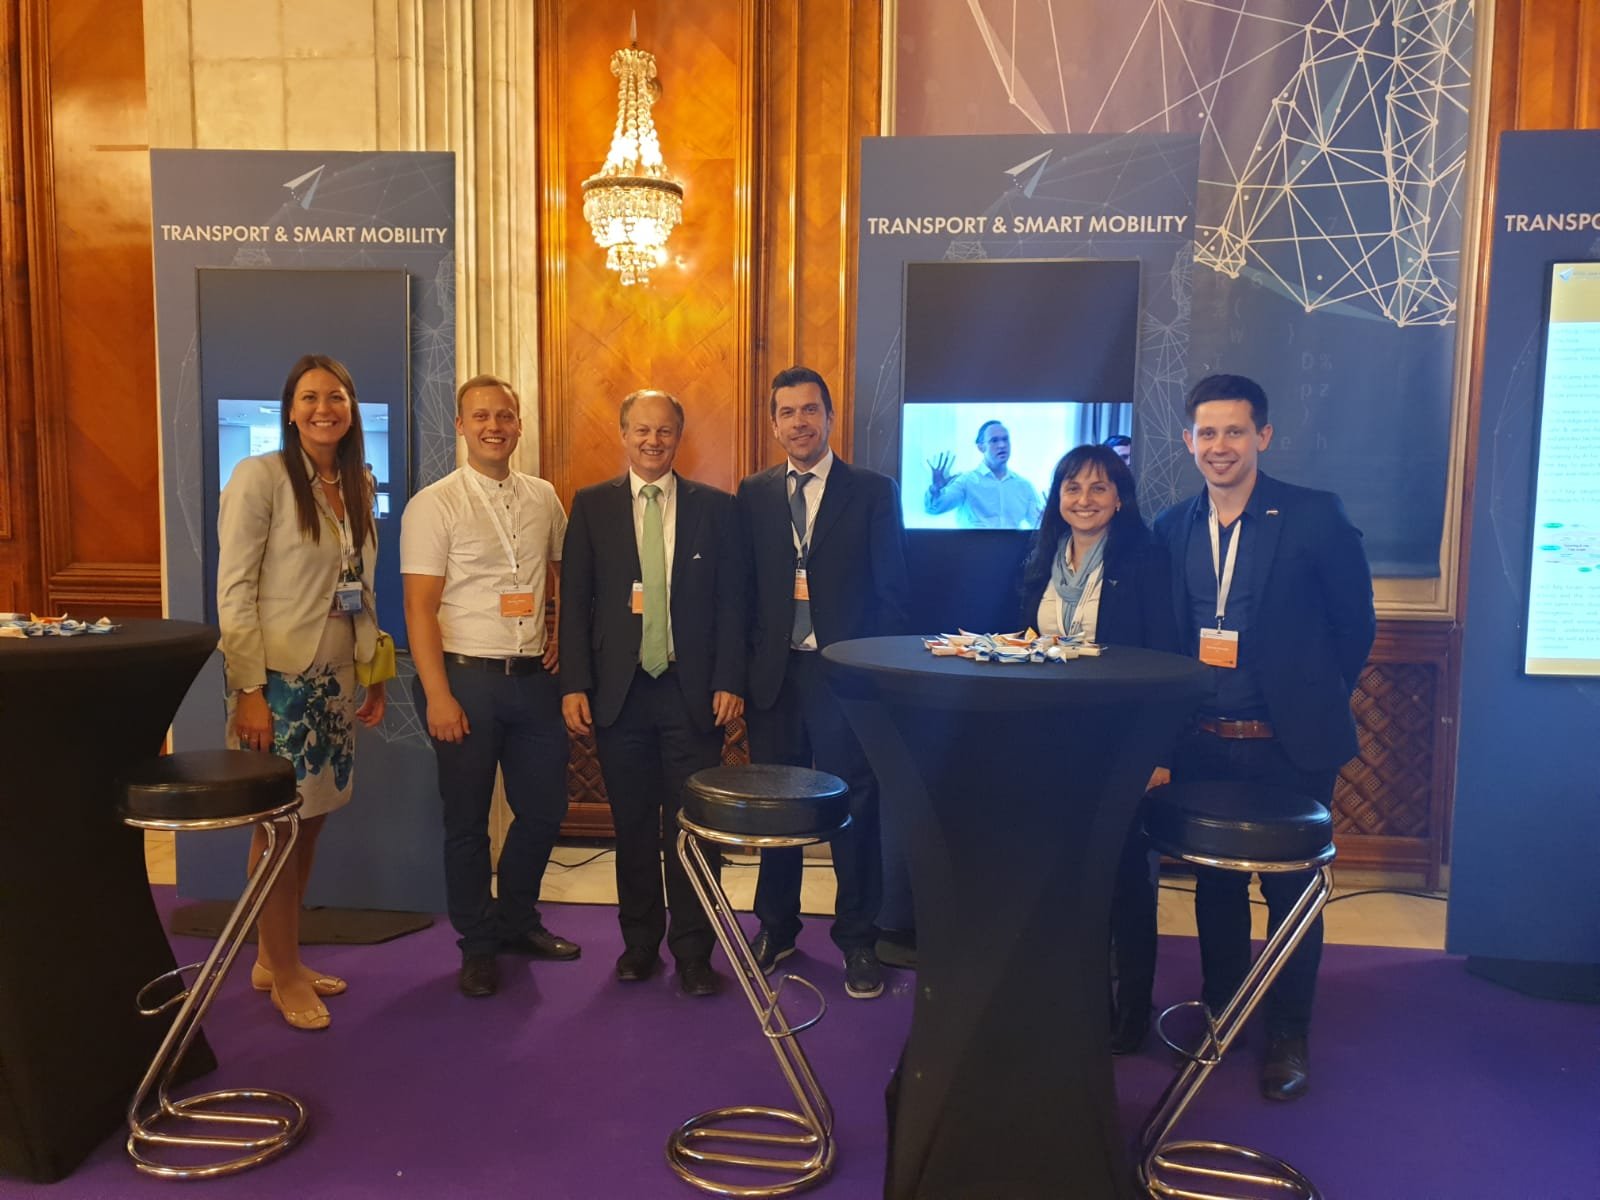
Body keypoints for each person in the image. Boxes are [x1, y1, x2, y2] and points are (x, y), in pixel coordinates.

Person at [1153, 373, 1375, 1101]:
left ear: (1263, 436)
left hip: (1288, 745)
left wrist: (1310, 702)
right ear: (1188, 441)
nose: (1220, 446)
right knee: (1215, 888)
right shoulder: (1172, 526)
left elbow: (1355, 626)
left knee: (1290, 894)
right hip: (1203, 741)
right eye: (1207, 433)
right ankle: (1224, 1014)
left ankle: (1287, 1033)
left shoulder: (1313, 516)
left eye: (1235, 431)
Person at [216, 354, 387, 1032]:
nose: (324, 409)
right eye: (311, 397)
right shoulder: (260, 478)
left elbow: (360, 587)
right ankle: (284, 972)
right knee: (277, 827)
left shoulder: (357, 482)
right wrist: (248, 689)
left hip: (337, 679)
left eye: (336, 397)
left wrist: (372, 672)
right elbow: (235, 590)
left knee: (310, 823)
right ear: (290, 410)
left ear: (351, 409)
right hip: (279, 685)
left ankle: (273, 959)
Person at [558, 389, 745, 997]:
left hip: (693, 694)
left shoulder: (716, 508)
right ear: (623, 434)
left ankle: (694, 952)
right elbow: (575, 601)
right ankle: (639, 944)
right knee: (633, 827)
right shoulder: (591, 506)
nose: (652, 441)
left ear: (678, 437)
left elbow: (732, 603)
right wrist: (574, 684)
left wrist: (729, 678)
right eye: (641, 430)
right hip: (621, 695)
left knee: (693, 828)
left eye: (664, 431)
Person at [400, 374, 579, 1000]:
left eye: (504, 415)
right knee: (468, 822)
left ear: (519, 424)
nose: (494, 427)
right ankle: (477, 944)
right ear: (461, 426)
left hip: (534, 682)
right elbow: (418, 608)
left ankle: (517, 921)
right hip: (464, 681)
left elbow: (567, 571)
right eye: (480, 417)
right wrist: (438, 695)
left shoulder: (543, 496)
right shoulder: (434, 504)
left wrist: (559, 629)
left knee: (545, 810)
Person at [738, 366, 910, 1000]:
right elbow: (742, 591)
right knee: (778, 808)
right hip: (775, 677)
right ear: (773, 424)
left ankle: (858, 938)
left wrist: (879, 676)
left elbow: (893, 592)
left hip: (845, 677)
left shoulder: (872, 491)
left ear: (830, 418)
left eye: (810, 410)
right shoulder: (753, 493)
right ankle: (776, 927)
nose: (799, 423)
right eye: (787, 412)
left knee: (853, 807)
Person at [1017, 443, 1179, 1054]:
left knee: (1124, 879)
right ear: (1057, 497)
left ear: (1119, 499)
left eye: (1098, 488)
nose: (1084, 500)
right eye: (1072, 487)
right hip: (1050, 743)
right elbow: (1027, 638)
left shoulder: (1144, 559)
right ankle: (1075, 1000)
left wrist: (1158, 752)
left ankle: (1131, 1011)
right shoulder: (1041, 556)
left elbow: (1165, 658)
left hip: (1121, 743)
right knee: (1063, 875)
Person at [924, 420, 1043, 529]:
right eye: (994, 440)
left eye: (1005, 439)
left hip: (1013, 545)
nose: (1002, 445)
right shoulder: (967, 481)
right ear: (981, 447)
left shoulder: (1024, 486)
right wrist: (936, 488)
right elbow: (934, 509)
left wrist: (1047, 517)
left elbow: (1038, 524)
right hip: (973, 545)